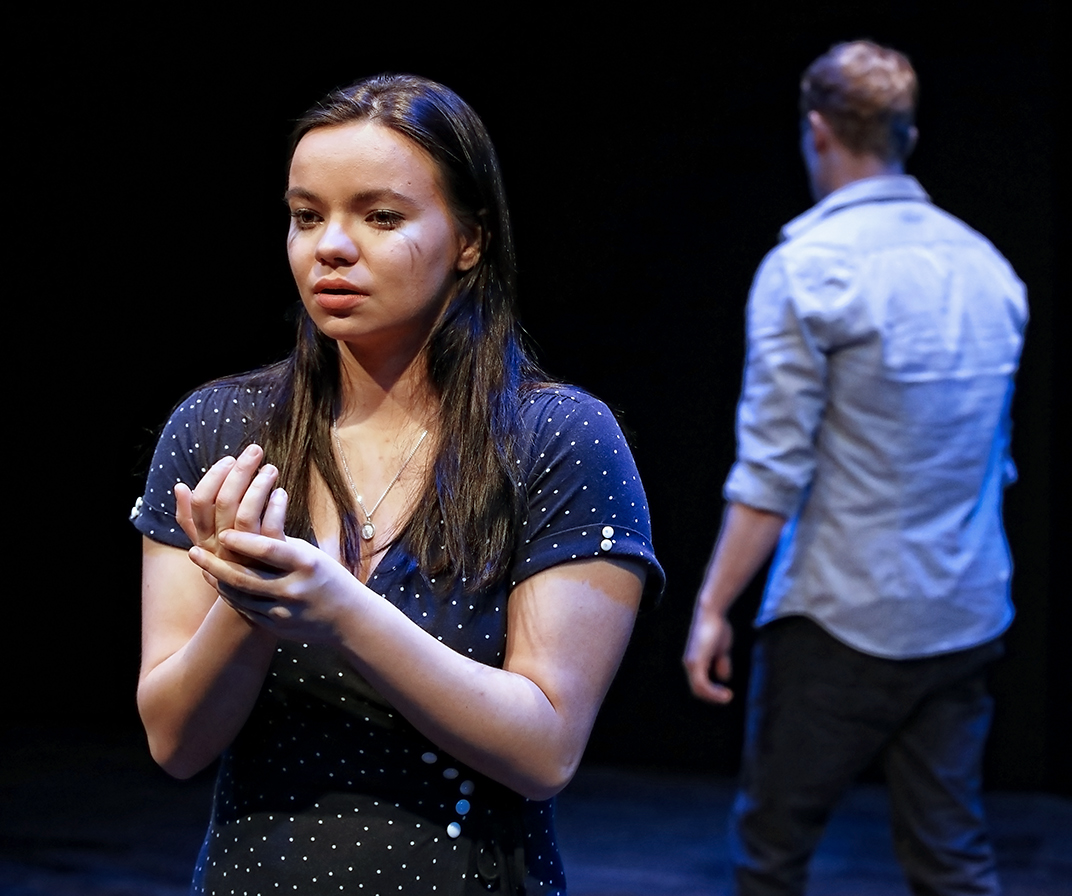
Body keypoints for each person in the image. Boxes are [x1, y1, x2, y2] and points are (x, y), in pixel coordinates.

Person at [131, 74, 663, 895]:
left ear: (471, 239)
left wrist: (341, 611)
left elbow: (544, 750)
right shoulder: (219, 429)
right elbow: (175, 743)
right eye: (307, 216)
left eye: (381, 217)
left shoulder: (560, 439)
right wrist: (249, 602)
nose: (330, 247)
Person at [682, 41, 1026, 896]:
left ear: (818, 132)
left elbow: (770, 472)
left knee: (772, 854)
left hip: (842, 619)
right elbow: (997, 460)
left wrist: (713, 605)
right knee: (953, 858)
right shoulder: (991, 270)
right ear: (907, 134)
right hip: (963, 610)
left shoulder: (807, 271)